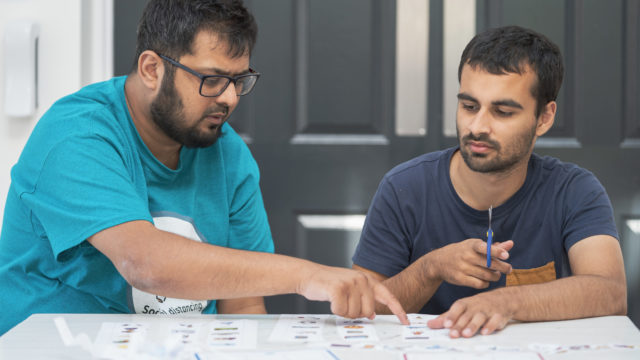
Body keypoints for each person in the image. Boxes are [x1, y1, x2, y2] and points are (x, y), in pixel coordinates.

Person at [0, 0, 408, 335]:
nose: (229, 98)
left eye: (239, 79)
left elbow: (243, 303)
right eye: (211, 79)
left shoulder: (228, 155)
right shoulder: (76, 135)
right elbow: (145, 264)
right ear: (151, 69)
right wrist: (307, 276)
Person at [352, 25, 626, 338]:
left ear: (544, 118)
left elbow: (611, 294)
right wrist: (431, 269)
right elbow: (360, 309)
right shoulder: (403, 189)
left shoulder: (575, 190)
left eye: (503, 112)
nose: (478, 126)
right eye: (469, 106)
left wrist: (507, 302)